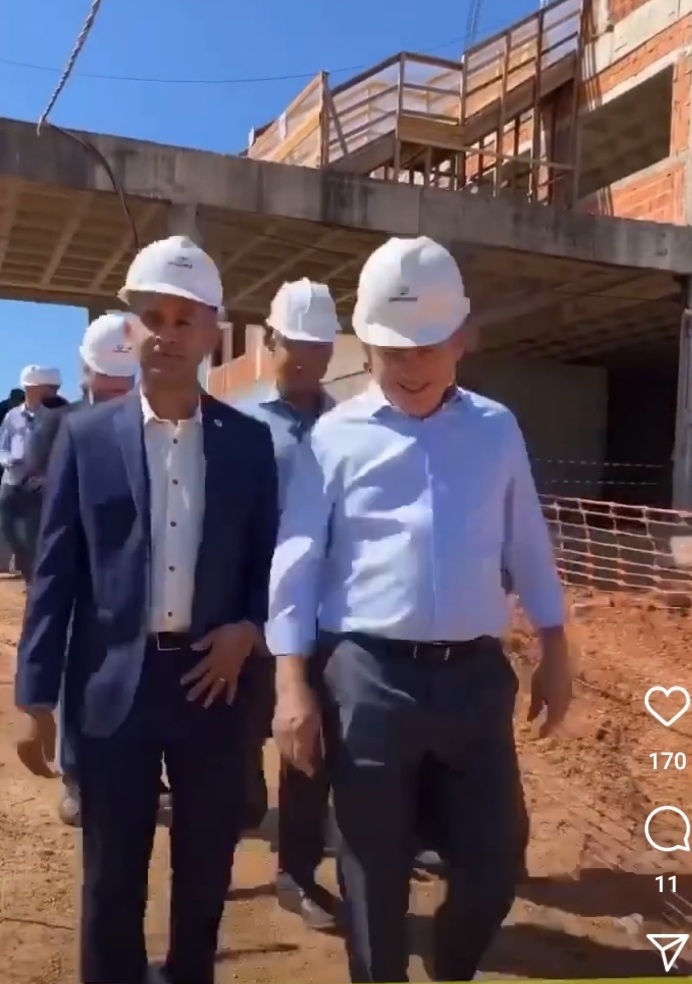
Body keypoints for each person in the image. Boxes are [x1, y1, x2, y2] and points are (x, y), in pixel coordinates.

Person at [268, 236, 572, 982]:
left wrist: (556, 649)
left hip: (475, 679)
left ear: (462, 337)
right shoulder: (334, 438)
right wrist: (292, 684)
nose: (408, 367)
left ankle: (452, 964)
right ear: (366, 344)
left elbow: (528, 544)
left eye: (426, 347)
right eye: (390, 350)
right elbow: (297, 567)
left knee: (494, 865)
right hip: (368, 679)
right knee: (372, 873)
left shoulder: (496, 429)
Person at [14, 234, 279, 984]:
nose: (166, 334)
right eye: (151, 318)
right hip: (111, 691)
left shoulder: (248, 444)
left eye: (183, 319)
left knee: (204, 871)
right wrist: (34, 696)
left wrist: (249, 630)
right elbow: (55, 574)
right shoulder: (85, 438)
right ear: (131, 329)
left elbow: (269, 564)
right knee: (110, 879)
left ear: (212, 331)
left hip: (213, 687)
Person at [23, 313, 160, 831]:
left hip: (120, 573)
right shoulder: (66, 425)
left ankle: (117, 772)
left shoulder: (147, 421)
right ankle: (79, 775)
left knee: (121, 672)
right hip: (86, 574)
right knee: (86, 672)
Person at [233, 278, 339, 931]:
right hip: (250, 613)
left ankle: (296, 874)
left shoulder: (350, 425)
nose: (305, 358)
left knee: (308, 748)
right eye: (294, 344)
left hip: (323, 616)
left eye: (318, 347)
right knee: (237, 741)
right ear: (269, 340)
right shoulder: (239, 424)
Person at [0, 365, 61, 580]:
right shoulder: (12, 416)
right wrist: (8, 460)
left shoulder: (57, 416)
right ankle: (25, 566)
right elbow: (2, 447)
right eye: (50, 387)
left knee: (33, 535)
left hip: (39, 485)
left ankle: (32, 581)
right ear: (33, 388)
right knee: (6, 527)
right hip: (12, 480)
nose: (54, 391)